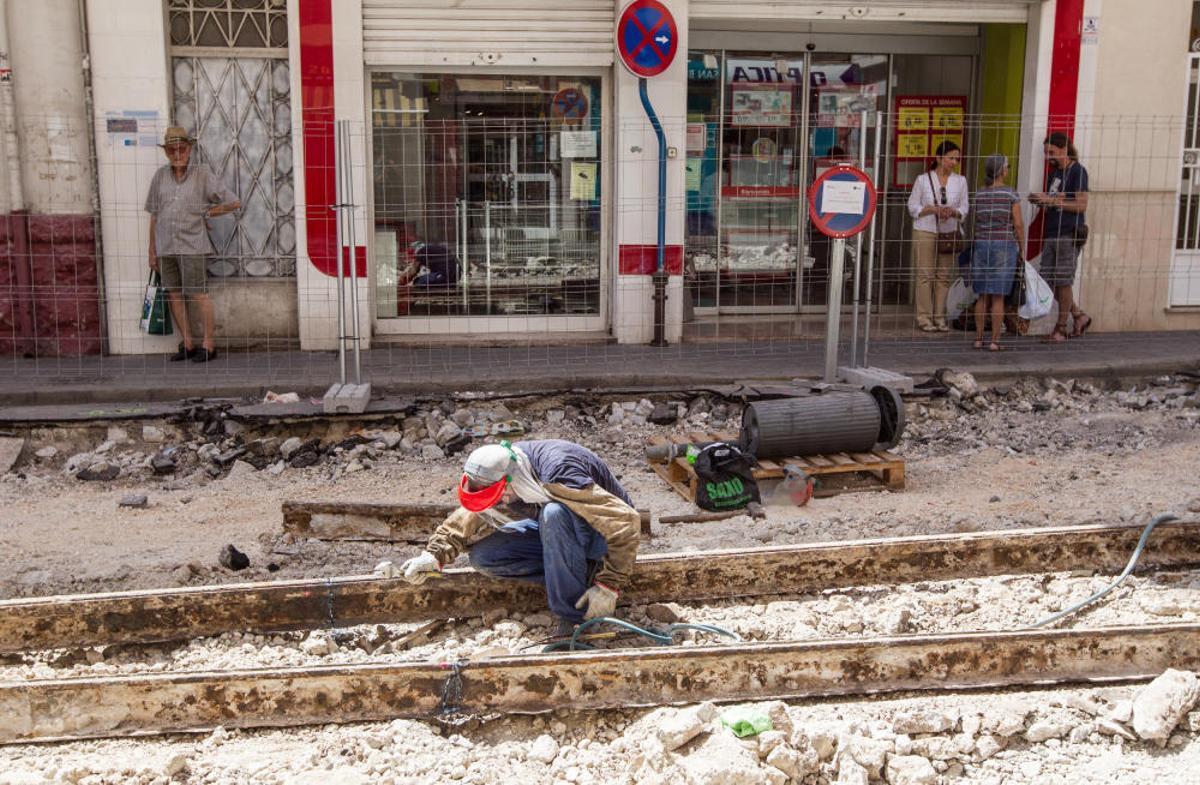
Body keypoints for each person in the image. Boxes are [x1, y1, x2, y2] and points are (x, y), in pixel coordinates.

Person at [379, 440, 641, 635]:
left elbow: (625, 521)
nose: (502, 502)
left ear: (509, 479)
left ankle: (575, 618)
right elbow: (469, 515)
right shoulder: (497, 468)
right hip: (563, 535)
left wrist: (609, 585)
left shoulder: (559, 472)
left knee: (553, 513)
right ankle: (576, 576)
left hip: (600, 538)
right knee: (485, 557)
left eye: (501, 496)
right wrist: (433, 556)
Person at [145, 126, 240, 363]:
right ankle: (187, 343)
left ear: (190, 149)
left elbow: (233, 202)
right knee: (174, 295)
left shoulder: (202, 174)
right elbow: (154, 214)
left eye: (181, 149)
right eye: (171, 150)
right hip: (166, 246)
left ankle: (208, 344)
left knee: (199, 294)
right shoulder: (159, 176)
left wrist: (209, 213)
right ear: (166, 152)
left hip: (193, 245)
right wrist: (152, 249)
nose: (177, 154)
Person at [1029, 132, 1092, 343]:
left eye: (1052, 152)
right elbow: (1053, 202)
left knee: (1064, 281)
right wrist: (1042, 201)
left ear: (1064, 149)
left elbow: (1081, 205)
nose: (1049, 157)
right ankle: (1078, 315)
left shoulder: (1078, 172)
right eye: (1046, 153)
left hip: (1068, 233)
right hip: (1052, 232)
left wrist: (1054, 202)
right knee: (1049, 282)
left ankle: (1061, 329)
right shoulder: (1053, 174)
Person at [908, 140, 969, 332]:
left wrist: (954, 212)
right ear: (939, 158)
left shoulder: (961, 181)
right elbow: (912, 207)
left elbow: (965, 208)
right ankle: (924, 318)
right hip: (925, 229)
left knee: (943, 276)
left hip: (949, 231)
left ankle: (940, 317)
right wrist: (932, 209)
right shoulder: (923, 180)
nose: (954, 162)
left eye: (956, 158)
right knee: (925, 275)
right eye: (950, 158)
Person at [970, 154, 1026, 352]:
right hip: (1004, 245)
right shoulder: (1010, 194)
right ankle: (994, 341)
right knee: (998, 296)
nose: (1008, 170)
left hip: (982, 245)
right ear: (1002, 170)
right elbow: (1018, 224)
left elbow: (978, 220)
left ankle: (978, 338)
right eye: (1007, 166)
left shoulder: (979, 194)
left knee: (982, 295)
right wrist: (1022, 247)